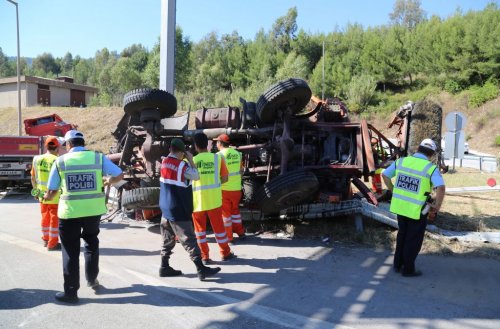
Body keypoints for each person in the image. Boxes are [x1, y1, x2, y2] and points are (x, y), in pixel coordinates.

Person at [44, 130, 124, 303]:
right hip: (93, 211)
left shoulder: (61, 161)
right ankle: (92, 279)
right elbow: (119, 174)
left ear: (68, 144)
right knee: (91, 243)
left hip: (69, 213)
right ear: (82, 142)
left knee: (70, 251)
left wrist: (45, 198)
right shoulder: (97, 158)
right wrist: (108, 181)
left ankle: (71, 292)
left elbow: (52, 191)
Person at [158, 138, 221, 280]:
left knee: (167, 238)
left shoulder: (164, 162)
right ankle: (201, 268)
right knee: (189, 240)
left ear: (170, 149)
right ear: (181, 152)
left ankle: (164, 267)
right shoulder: (182, 166)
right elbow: (196, 176)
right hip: (178, 208)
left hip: (165, 207)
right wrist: (190, 159)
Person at [382, 138, 446, 277]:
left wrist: (393, 190)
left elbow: (385, 175)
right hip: (418, 210)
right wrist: (437, 206)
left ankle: (397, 265)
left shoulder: (402, 161)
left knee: (402, 236)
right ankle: (408, 270)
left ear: (418, 149)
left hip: (400, 207)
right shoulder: (430, 168)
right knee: (413, 239)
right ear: (432, 154)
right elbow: (440, 187)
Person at [192, 132, 235, 264]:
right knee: (219, 229)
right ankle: (225, 253)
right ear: (208, 144)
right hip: (214, 200)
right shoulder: (217, 158)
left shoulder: (192, 161)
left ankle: (204, 256)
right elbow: (225, 178)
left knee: (200, 232)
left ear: (195, 146)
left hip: (197, 202)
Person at [31, 136, 61, 250]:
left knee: (45, 217)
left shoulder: (36, 159)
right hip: (55, 196)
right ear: (57, 148)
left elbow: (33, 178)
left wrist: (36, 192)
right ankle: (52, 243)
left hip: (42, 196)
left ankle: (45, 239)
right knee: (54, 219)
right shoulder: (57, 160)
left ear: (45, 147)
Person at [215, 134, 246, 242]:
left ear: (220, 143)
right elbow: (241, 171)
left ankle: (229, 237)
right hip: (237, 189)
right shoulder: (238, 154)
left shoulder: (218, 156)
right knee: (235, 212)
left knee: (226, 215)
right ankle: (241, 232)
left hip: (225, 190)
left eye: (217, 142)